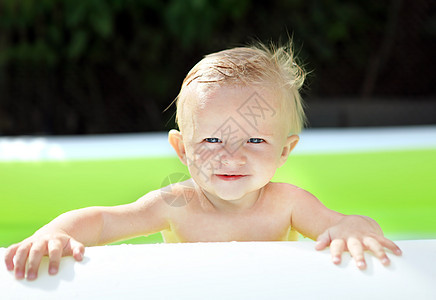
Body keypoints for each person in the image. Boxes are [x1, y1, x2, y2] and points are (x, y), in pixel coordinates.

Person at [4, 43, 402, 281]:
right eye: (211, 139)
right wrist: (53, 233)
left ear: (284, 151)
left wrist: (355, 229)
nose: (232, 155)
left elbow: (346, 225)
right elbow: (105, 220)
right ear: (182, 150)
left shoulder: (289, 204)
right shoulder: (176, 203)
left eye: (255, 139)